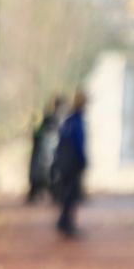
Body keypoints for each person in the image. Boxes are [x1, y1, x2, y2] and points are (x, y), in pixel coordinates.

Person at [51, 90, 88, 238]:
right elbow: (78, 143)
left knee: (68, 193)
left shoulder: (68, 120)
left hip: (64, 162)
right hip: (72, 163)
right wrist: (82, 159)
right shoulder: (76, 121)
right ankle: (66, 223)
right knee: (71, 194)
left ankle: (64, 221)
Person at [27, 96, 60, 203]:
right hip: (42, 151)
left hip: (44, 151)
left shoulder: (53, 119)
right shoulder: (48, 119)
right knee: (41, 174)